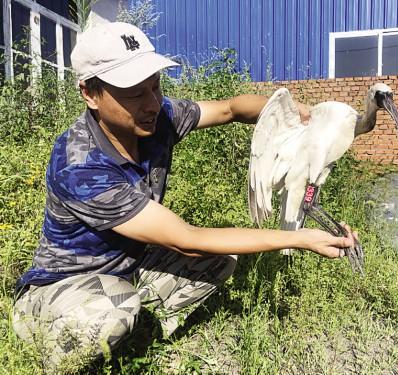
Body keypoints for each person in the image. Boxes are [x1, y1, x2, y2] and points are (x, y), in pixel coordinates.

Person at [12, 22, 356, 368]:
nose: (151, 103)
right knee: (116, 311)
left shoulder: (157, 118)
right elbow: (187, 239)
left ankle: (139, 333)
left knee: (219, 259)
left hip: (124, 272)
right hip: (60, 290)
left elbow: (231, 110)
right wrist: (297, 238)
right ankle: (57, 351)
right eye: (134, 92)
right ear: (90, 94)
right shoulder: (80, 164)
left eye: (155, 86)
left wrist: (302, 114)